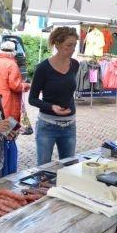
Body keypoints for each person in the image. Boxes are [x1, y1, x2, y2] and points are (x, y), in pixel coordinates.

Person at [29, 27, 79, 166]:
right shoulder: (43, 68)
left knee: (69, 167)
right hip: (47, 126)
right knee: (43, 169)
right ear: (57, 44)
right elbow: (32, 99)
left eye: (75, 45)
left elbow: (67, 91)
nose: (73, 49)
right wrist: (52, 107)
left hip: (69, 125)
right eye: (69, 45)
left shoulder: (75, 64)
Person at [0, 41, 30, 174]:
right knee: (9, 139)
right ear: (13, 52)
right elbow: (15, 85)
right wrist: (25, 86)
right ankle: (8, 171)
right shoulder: (12, 64)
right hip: (9, 108)